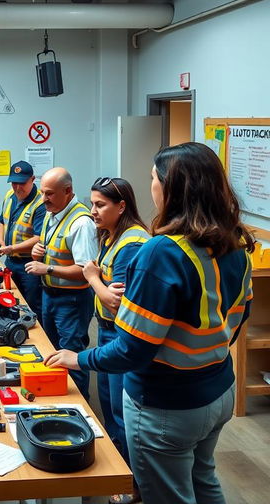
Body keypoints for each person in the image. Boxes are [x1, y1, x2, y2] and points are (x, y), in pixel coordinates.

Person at [46, 143, 255, 504]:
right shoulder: (234, 242)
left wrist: (77, 359)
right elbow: (238, 319)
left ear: (172, 189)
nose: (151, 187)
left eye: (153, 179)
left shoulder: (161, 252)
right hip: (219, 388)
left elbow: (132, 349)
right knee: (203, 480)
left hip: (167, 404)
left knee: (169, 494)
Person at [82, 177, 150, 504]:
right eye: (92, 203)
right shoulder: (112, 235)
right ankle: (118, 472)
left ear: (121, 206)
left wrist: (92, 276)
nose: (93, 210)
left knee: (122, 416)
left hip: (120, 334)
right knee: (109, 408)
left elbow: (116, 301)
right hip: (107, 330)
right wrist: (100, 281)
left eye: (100, 205)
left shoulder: (132, 243)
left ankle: (132, 484)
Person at [24, 167, 97, 399]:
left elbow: (87, 271)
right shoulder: (51, 211)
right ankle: (58, 399)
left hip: (72, 300)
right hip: (50, 294)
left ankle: (81, 409)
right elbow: (52, 249)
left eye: (49, 194)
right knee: (52, 352)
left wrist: (48, 268)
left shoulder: (82, 223)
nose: (43, 199)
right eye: (43, 193)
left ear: (68, 191)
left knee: (72, 357)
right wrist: (38, 252)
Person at [0, 160, 46, 320]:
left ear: (32, 179)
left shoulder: (40, 203)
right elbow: (2, 221)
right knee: (10, 301)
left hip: (30, 264)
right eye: (14, 183)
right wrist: (0, 241)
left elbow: (39, 238)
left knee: (32, 306)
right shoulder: (10, 196)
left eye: (22, 183)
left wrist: (12, 248)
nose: (17, 187)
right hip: (11, 262)